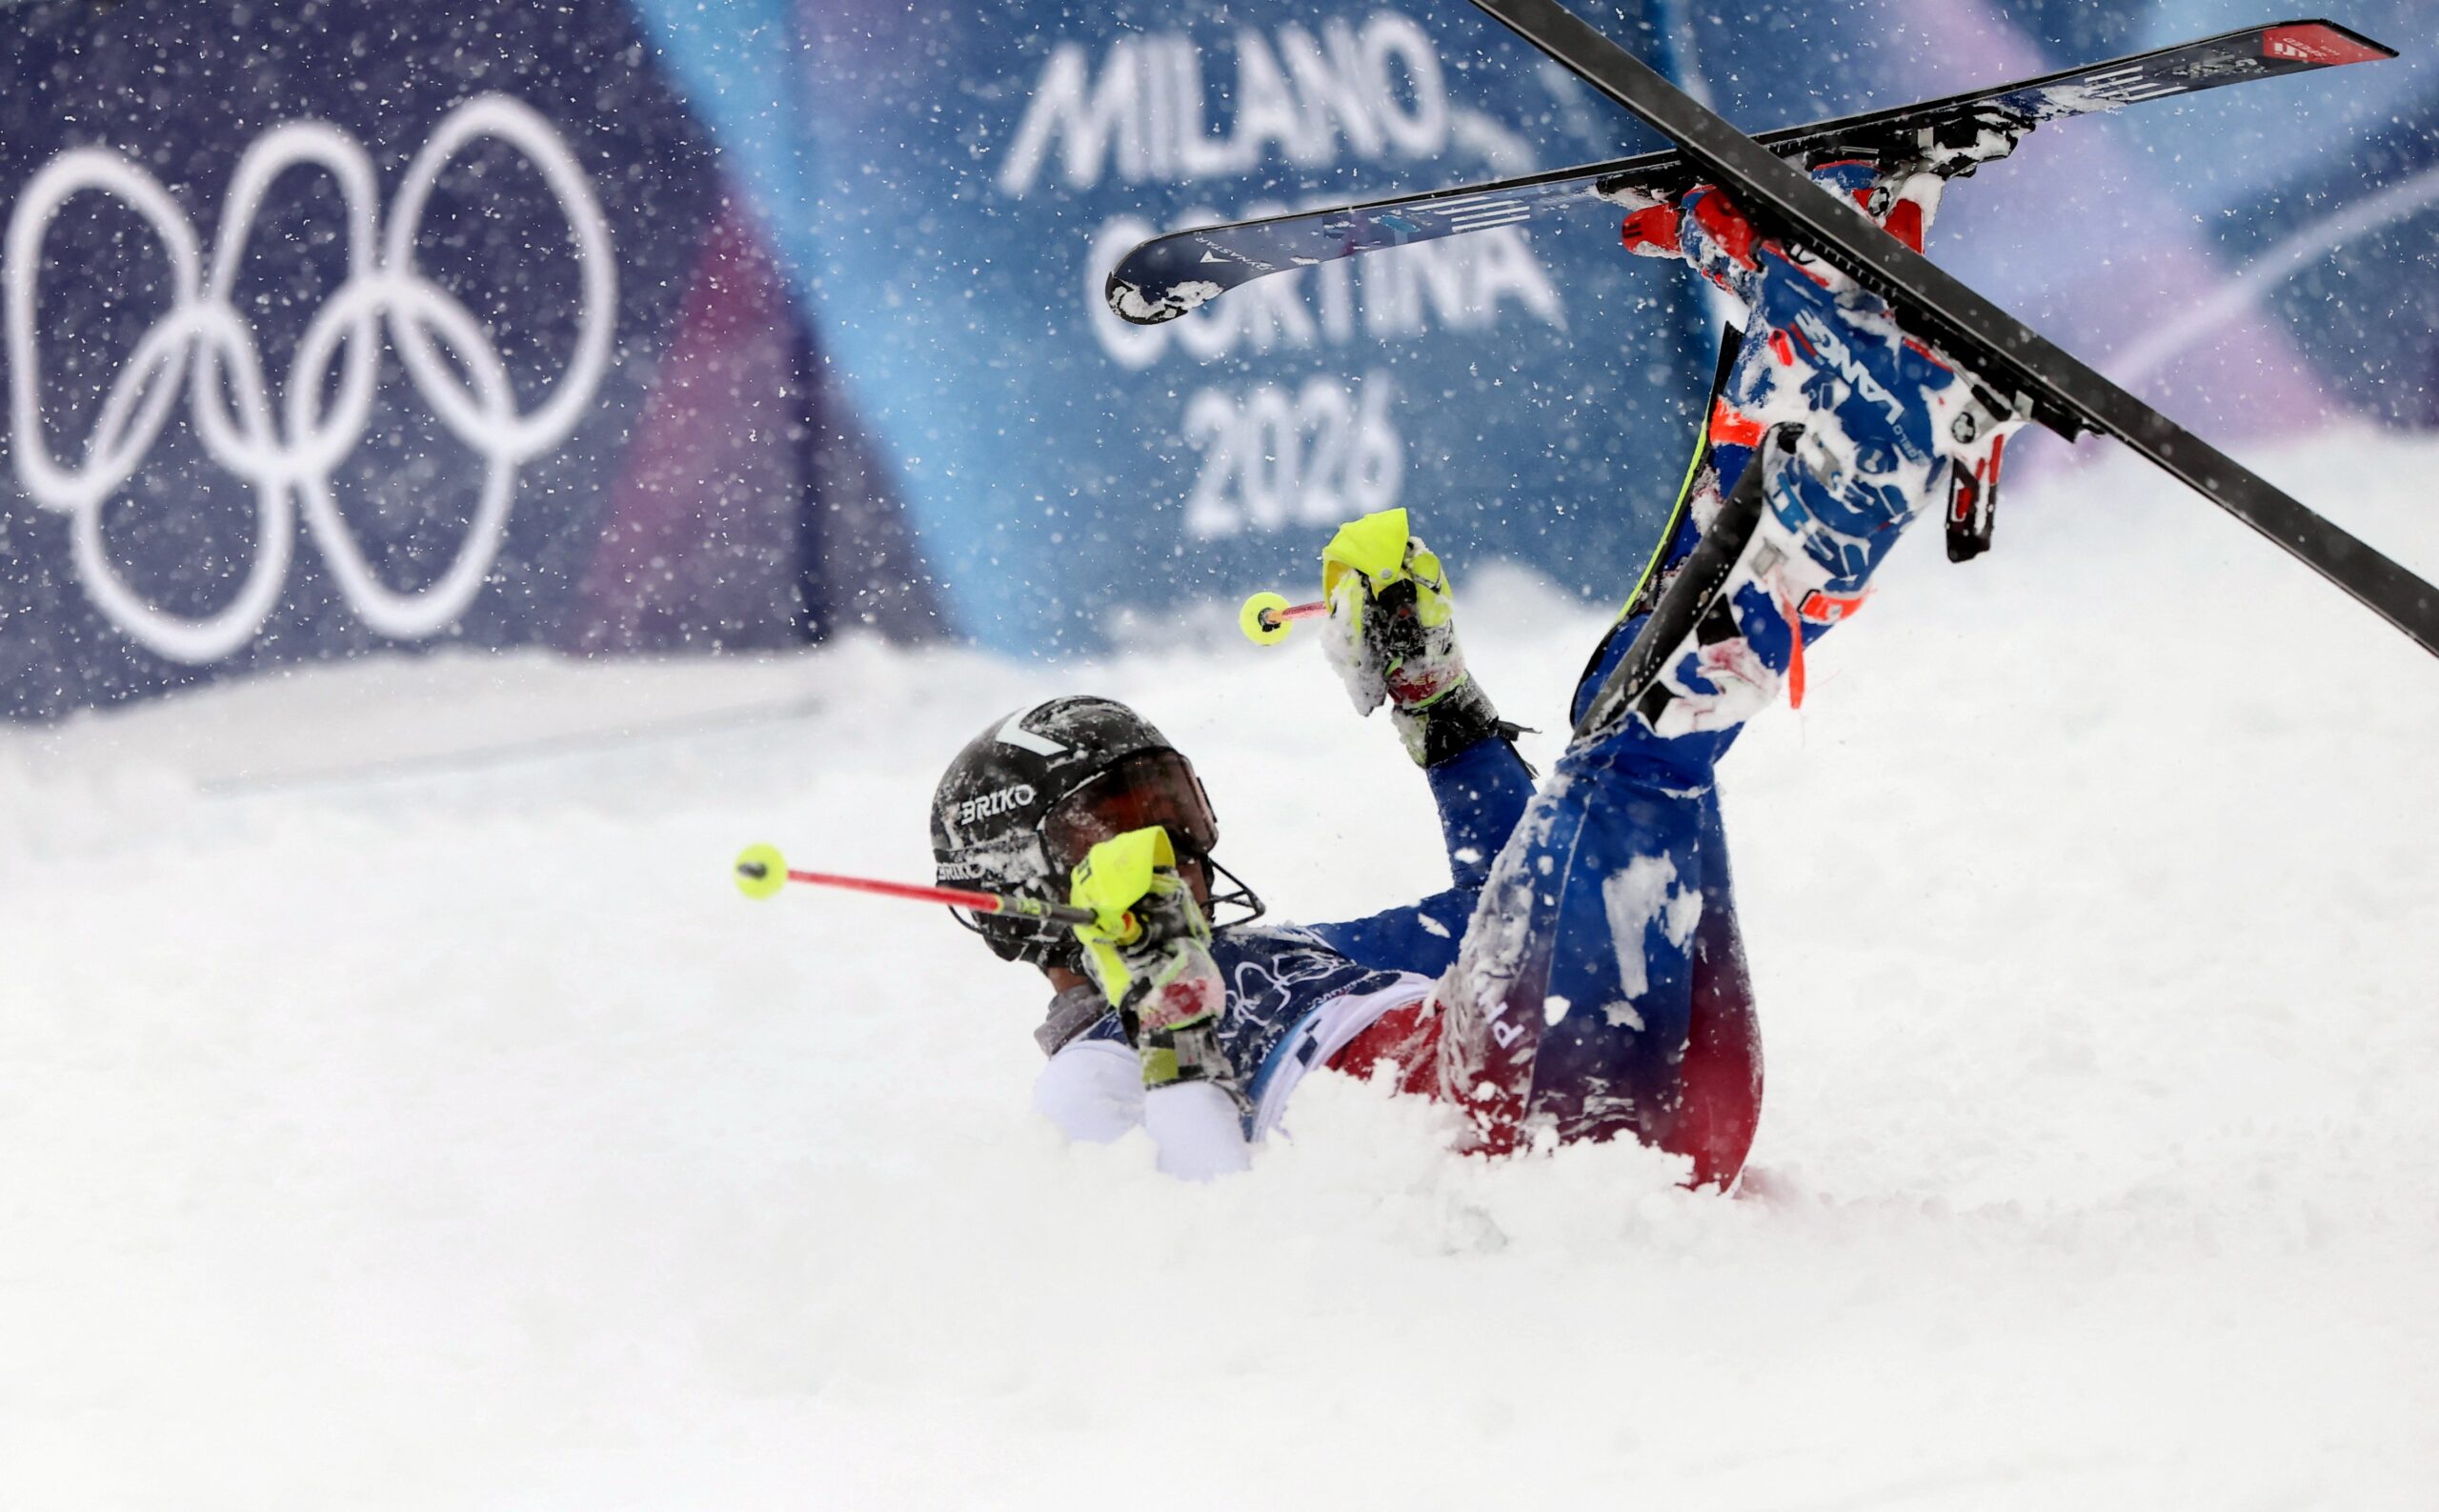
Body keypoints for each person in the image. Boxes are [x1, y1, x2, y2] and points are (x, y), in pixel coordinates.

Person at [930, 148, 2025, 1185]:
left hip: (1651, 1096)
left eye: (1173, 804)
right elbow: (1206, 1225)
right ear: (1023, 899)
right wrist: (1172, 1032)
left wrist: (1438, 707)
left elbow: (1502, 910)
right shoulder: (1087, 1078)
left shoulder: (1277, 953)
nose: (1175, 850)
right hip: (1494, 1127)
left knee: (1634, 719)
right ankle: (1861, 443)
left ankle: (1825, 293)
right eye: (1115, 829)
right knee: (1636, 749)